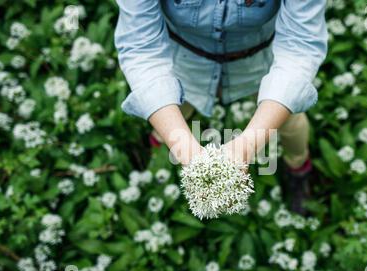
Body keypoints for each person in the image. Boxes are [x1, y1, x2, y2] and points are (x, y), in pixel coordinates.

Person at [115, 0, 328, 214]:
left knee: (289, 122)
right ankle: (160, 157)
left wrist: (247, 145)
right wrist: (185, 148)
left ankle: (299, 168)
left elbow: (301, 45)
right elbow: (141, 48)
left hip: (259, 60)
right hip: (185, 61)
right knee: (172, 116)